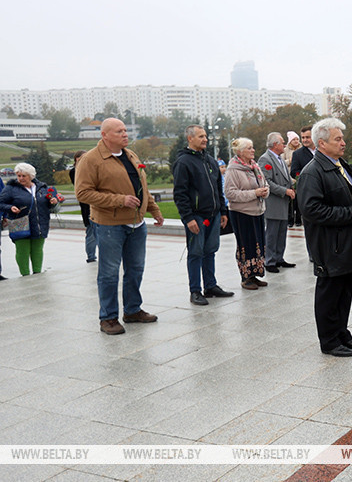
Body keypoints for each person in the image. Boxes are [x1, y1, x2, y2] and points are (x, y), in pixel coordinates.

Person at [296, 117, 352, 357]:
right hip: (330, 246)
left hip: (349, 243)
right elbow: (310, 209)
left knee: (344, 292)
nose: (343, 142)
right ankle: (329, 341)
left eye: (342, 138)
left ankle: (342, 334)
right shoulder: (313, 172)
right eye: (338, 139)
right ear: (321, 144)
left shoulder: (342, 165)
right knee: (329, 295)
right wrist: (351, 213)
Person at [75, 118, 164, 335]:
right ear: (104, 135)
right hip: (110, 225)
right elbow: (83, 193)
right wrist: (119, 200)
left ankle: (132, 310)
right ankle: (108, 318)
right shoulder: (91, 160)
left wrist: (154, 209)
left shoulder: (130, 155)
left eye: (125, 130)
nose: (125, 134)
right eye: (119, 131)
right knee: (109, 273)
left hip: (137, 223)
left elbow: (141, 186)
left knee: (135, 269)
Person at [173, 125, 234, 306]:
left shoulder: (209, 160)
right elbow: (180, 193)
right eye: (201, 136)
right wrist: (188, 218)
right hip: (197, 217)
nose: (205, 139)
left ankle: (210, 285)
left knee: (210, 251)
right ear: (190, 138)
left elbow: (218, 188)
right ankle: (195, 290)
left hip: (213, 215)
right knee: (195, 252)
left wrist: (223, 211)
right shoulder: (183, 162)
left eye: (206, 136)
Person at [224, 138, 270, 290]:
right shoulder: (233, 169)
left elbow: (264, 183)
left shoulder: (254, 166)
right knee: (246, 245)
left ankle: (255, 274)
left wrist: (265, 191)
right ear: (240, 152)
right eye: (249, 148)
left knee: (258, 243)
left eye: (253, 147)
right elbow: (230, 193)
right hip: (241, 213)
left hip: (257, 210)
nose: (253, 150)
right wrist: (254, 193)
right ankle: (245, 277)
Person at [0, 163, 60, 276]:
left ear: (31, 176)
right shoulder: (11, 189)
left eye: (24, 176)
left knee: (37, 250)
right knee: (22, 251)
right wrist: (10, 208)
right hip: (20, 224)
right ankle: (25, 275)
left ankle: (37, 273)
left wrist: (54, 201)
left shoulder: (42, 188)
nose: (21, 178)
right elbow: (1, 203)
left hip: (40, 223)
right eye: (19, 176)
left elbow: (49, 203)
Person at [258, 132, 296, 273]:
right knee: (272, 233)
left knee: (281, 233)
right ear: (275, 145)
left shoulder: (279, 159)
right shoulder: (265, 159)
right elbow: (267, 182)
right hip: (274, 202)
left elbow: (285, 177)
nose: (284, 145)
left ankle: (279, 258)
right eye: (282, 142)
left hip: (283, 202)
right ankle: (269, 261)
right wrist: (284, 191)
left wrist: (292, 186)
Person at [69, 150, 97, 263]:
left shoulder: (93, 168)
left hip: (97, 205)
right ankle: (91, 256)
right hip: (87, 207)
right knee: (91, 232)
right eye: (80, 159)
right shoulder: (74, 172)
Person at [290, 126, 315, 227]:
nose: (305, 140)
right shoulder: (297, 154)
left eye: (307, 137)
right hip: (308, 191)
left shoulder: (323, 150)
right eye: (303, 137)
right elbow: (294, 172)